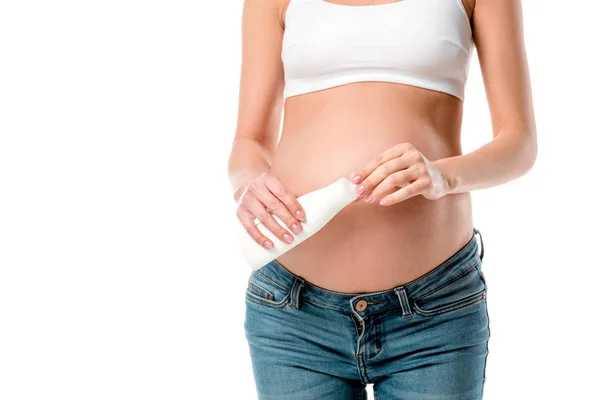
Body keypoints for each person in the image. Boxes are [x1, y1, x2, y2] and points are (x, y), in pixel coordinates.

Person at [227, 0, 537, 398]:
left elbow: (519, 142)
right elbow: (248, 141)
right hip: (293, 314)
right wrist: (249, 181)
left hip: (434, 313)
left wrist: (443, 175)